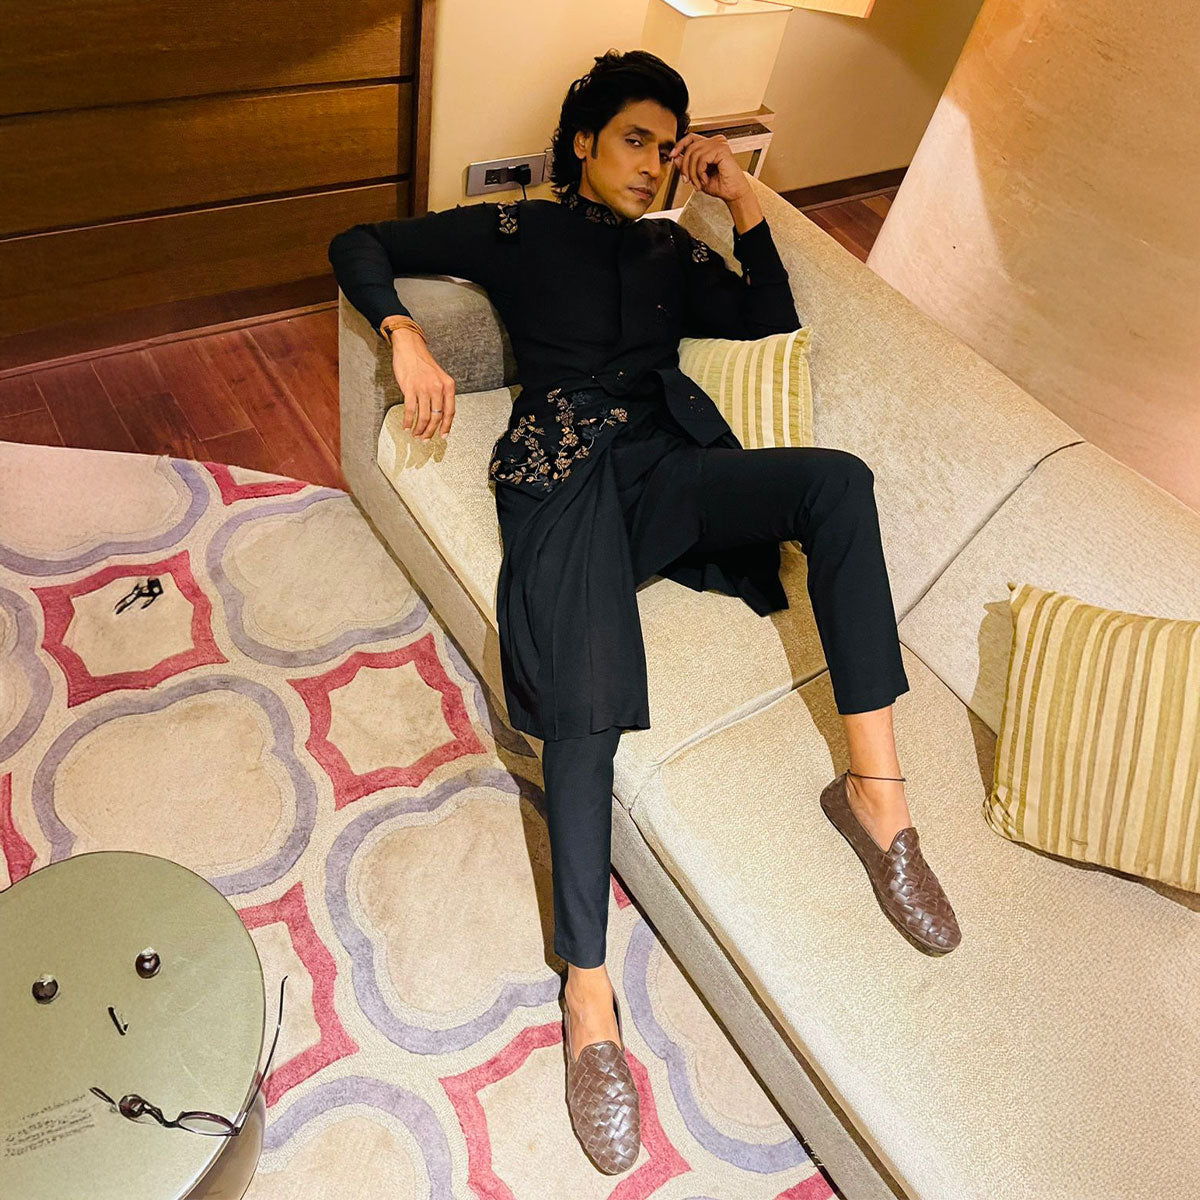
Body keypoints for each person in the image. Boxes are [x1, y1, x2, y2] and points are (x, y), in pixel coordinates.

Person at [329, 48, 962, 1174]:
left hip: (665, 469)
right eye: (635, 139)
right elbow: (359, 243)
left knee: (837, 484)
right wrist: (403, 333)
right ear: (582, 141)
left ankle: (877, 801)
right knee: (589, 689)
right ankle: (588, 997)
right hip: (564, 470)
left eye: (667, 148)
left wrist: (738, 196)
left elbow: (766, 315)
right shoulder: (520, 230)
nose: (652, 163)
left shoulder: (673, 248)